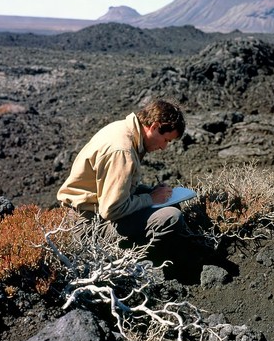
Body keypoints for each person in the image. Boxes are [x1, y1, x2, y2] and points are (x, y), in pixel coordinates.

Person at [57, 99, 188, 243]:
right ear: (155, 126)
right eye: (166, 140)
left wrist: (151, 193)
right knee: (170, 217)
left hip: (92, 212)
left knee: (167, 200)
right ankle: (147, 260)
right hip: (85, 227)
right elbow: (112, 209)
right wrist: (150, 198)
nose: (164, 147)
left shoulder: (123, 129)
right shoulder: (122, 150)